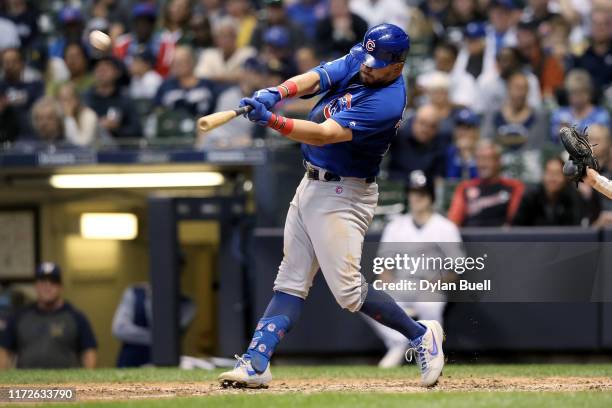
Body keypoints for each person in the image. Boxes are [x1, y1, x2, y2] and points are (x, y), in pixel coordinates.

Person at [218, 23, 445, 389]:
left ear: (398, 66)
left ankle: (420, 335)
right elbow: (316, 78)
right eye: (367, 58)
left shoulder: (386, 103)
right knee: (290, 280)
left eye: (377, 63)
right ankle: (256, 361)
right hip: (312, 183)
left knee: (349, 293)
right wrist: (276, 92)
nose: (367, 67)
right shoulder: (363, 57)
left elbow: (325, 134)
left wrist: (273, 119)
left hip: (345, 193)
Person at [365, 171, 462, 368]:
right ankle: (397, 343)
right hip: (401, 284)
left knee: (429, 304)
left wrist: (435, 283)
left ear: (431, 196)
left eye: (422, 193)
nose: (417, 197)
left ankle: (430, 354)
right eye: (413, 192)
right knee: (364, 297)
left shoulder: (445, 227)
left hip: (430, 285)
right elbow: (384, 266)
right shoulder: (396, 226)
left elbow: (456, 269)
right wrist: (386, 290)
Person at [0, 263, 97, 369]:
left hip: (67, 382)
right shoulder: (19, 316)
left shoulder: (76, 317)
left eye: (53, 282)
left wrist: (87, 382)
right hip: (26, 384)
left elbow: (89, 352)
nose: (47, 286)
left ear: (61, 287)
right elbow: (4, 351)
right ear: (36, 286)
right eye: (42, 282)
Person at [112, 282, 196, 367]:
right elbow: (119, 329)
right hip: (131, 360)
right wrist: (159, 338)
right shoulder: (134, 293)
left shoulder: (186, 303)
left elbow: (172, 334)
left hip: (166, 359)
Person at [448, 140, 524, 226]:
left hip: (502, 237)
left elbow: (516, 222)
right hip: (470, 237)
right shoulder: (464, 188)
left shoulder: (514, 186)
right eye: (478, 159)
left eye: (487, 159)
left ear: (498, 161)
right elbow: (453, 223)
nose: (482, 164)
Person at [512, 157, 586, 226]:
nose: (552, 178)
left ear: (566, 177)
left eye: (557, 173)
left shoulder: (574, 197)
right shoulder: (530, 197)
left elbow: (576, 227)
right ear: (543, 175)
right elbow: (516, 227)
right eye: (549, 173)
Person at [84, 56, 142, 139]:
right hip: (89, 147)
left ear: (117, 72)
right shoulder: (86, 98)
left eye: (106, 67)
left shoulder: (125, 100)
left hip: (118, 149)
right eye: (98, 67)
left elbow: (137, 131)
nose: (101, 71)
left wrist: (116, 128)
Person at [388, 105, 447, 183]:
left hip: (425, 192)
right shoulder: (398, 138)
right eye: (422, 123)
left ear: (437, 129)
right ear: (414, 122)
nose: (425, 129)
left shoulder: (440, 147)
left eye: (432, 126)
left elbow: (438, 179)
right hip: (395, 189)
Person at [550, 69, 610, 143]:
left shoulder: (601, 114)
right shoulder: (559, 114)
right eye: (573, 92)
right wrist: (560, 132)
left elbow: (602, 142)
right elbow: (553, 140)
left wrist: (575, 135)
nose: (577, 97)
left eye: (581, 92)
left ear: (589, 92)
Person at [194, 17, 256, 83]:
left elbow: (249, 76)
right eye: (221, 36)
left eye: (229, 35)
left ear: (236, 36)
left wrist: (215, 78)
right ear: (216, 38)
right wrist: (232, 77)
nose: (225, 40)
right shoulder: (208, 54)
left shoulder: (248, 53)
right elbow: (200, 76)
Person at [58, 83, 102, 147]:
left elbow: (82, 144)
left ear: (77, 100)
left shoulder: (89, 116)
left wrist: (69, 118)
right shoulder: (58, 115)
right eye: (60, 99)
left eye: (67, 99)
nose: (63, 104)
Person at [445, 108, 480, 180]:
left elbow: (480, 182)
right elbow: (450, 181)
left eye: (468, 128)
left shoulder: (483, 152)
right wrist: (459, 155)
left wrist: (469, 158)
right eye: (459, 127)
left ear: (476, 132)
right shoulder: (449, 152)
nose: (463, 132)